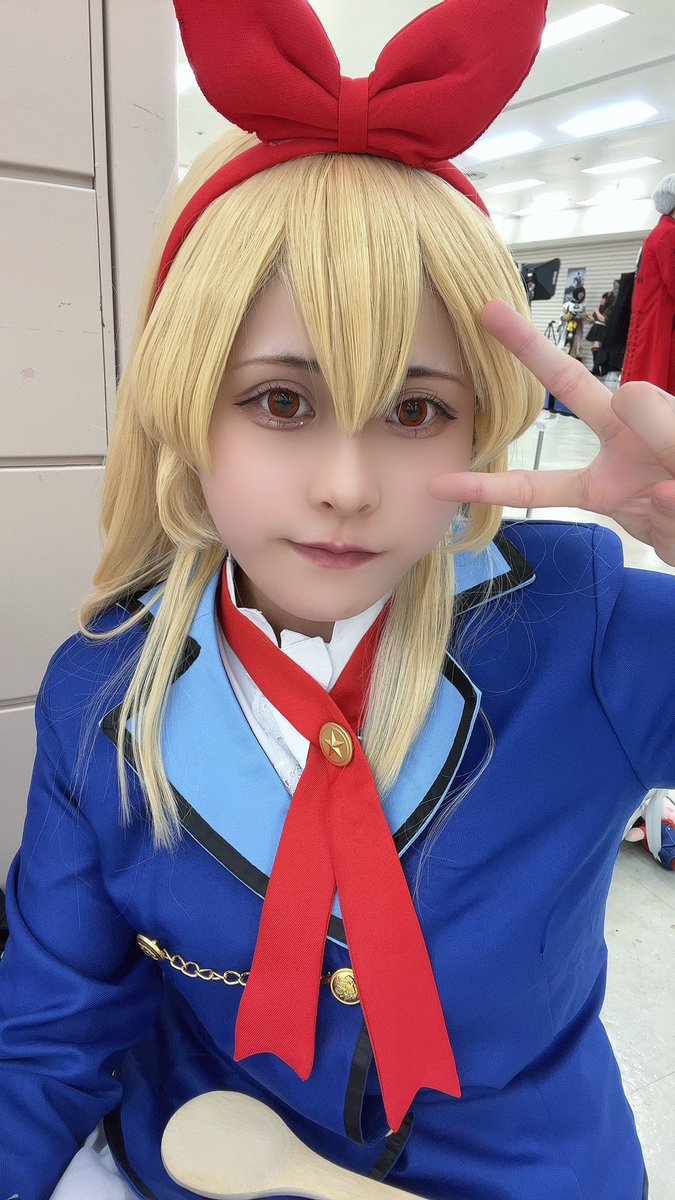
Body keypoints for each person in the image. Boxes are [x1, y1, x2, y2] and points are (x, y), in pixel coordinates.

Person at [1, 2, 674, 1199]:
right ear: (187, 406)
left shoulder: (589, 631)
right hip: (208, 1168)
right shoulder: (101, 697)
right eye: (282, 401)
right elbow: (47, 1037)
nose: (349, 488)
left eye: (415, 411)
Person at [622, 173, 675, 391]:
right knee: (655, 372)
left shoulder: (661, 232)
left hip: (654, 315)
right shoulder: (668, 233)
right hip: (662, 317)